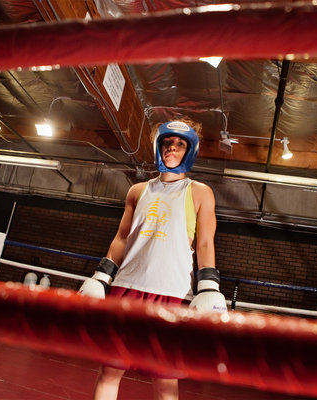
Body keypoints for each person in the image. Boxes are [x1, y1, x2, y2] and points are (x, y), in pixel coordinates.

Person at [79, 118, 227, 400]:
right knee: (109, 372)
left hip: (172, 293)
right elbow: (122, 237)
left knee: (165, 382)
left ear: (190, 150)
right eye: (167, 142)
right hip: (127, 289)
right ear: (159, 147)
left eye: (180, 144)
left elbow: (206, 242)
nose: (172, 148)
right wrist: (102, 276)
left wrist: (209, 286)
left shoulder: (199, 192)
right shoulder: (137, 191)